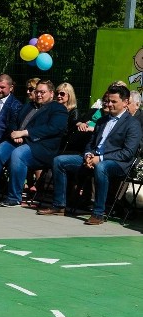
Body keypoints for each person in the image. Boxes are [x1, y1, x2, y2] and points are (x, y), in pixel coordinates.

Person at [38, 85, 142, 225]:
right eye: (108, 101)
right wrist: (88, 155)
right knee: (59, 161)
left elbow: (128, 152)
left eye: (114, 102)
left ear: (125, 102)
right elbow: (91, 143)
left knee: (102, 167)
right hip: (93, 158)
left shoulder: (132, 124)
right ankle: (59, 205)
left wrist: (100, 159)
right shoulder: (102, 121)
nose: (109, 104)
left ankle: (98, 213)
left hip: (117, 163)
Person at [0, 79, 68, 207]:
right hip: (17, 141)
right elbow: (13, 121)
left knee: (19, 154)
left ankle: (14, 197)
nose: (39, 95)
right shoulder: (28, 106)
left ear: (51, 94)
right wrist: (15, 132)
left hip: (41, 147)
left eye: (43, 92)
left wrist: (25, 133)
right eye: (37, 92)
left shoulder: (58, 109)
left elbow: (54, 128)